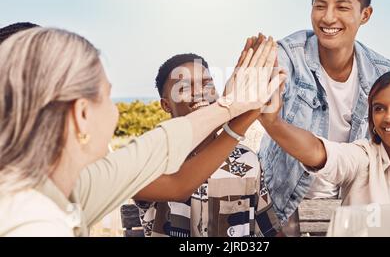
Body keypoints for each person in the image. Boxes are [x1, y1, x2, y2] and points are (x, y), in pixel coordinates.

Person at [0, 27, 284, 236]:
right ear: (82, 114)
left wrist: (240, 109)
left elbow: (164, 153)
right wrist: (234, 107)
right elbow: (168, 167)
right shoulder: (32, 222)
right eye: (108, 98)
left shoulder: (73, 185)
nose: (116, 113)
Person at [256, 0, 390, 225]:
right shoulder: (287, 54)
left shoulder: (382, 72)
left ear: (365, 14)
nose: (328, 18)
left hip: (350, 205)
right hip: (283, 202)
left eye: (342, 7)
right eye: (320, 6)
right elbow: (258, 89)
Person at [134, 53, 282, 237]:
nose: (200, 92)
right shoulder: (155, 158)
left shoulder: (247, 160)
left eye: (207, 84)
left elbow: (268, 230)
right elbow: (176, 186)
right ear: (166, 105)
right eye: (184, 87)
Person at [260, 70, 390, 205]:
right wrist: (273, 123)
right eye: (379, 108)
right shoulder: (362, 158)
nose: (389, 117)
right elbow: (318, 151)